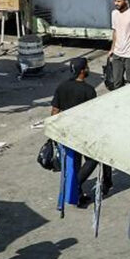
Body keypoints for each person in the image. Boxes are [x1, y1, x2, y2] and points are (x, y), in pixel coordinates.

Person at [51, 58, 112, 204]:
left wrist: (55, 132)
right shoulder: (88, 90)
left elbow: (54, 111)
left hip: (66, 131)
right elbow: (93, 114)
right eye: (87, 67)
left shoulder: (62, 87)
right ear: (82, 70)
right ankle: (75, 185)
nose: (89, 69)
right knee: (93, 159)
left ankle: (76, 193)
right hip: (82, 131)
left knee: (74, 163)